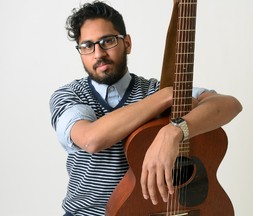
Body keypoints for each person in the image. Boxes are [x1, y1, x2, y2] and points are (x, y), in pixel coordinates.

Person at [49, 1, 242, 215]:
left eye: (108, 41)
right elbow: (91, 139)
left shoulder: (156, 89)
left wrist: (174, 132)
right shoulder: (70, 95)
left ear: (127, 43)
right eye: (87, 46)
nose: (98, 53)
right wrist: (164, 97)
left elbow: (230, 105)